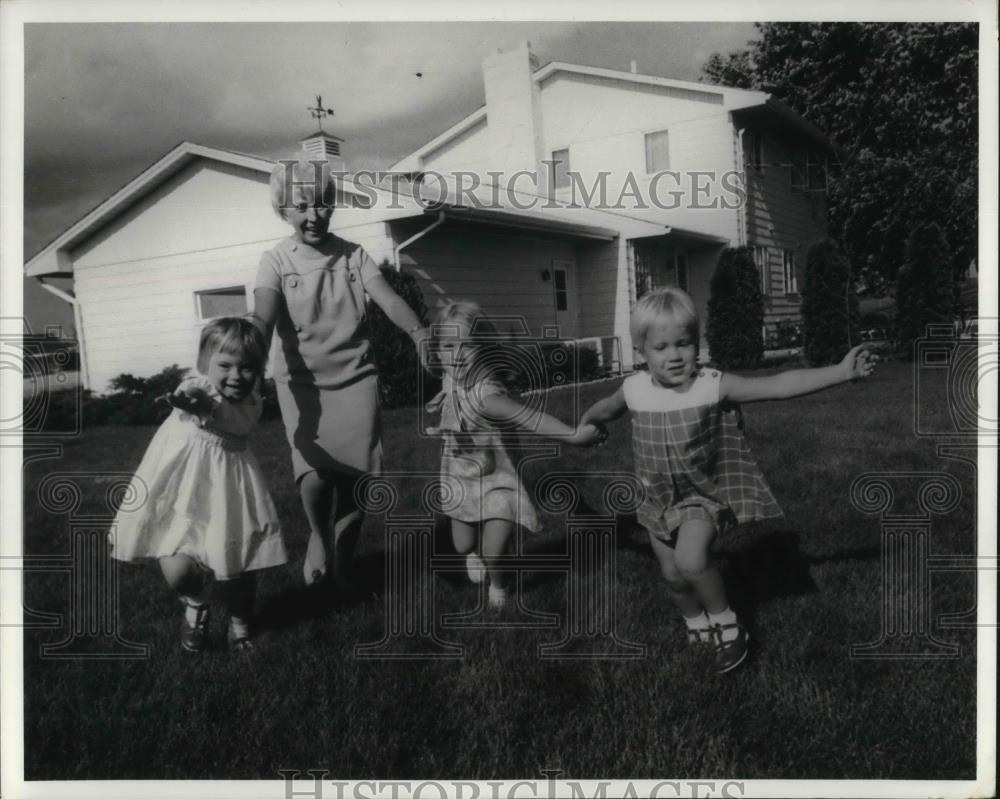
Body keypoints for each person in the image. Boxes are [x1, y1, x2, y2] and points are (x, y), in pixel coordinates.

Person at [579, 288, 877, 673]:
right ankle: (696, 623)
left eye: (684, 344)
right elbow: (607, 407)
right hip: (654, 498)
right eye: (662, 347)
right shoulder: (634, 389)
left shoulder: (711, 384)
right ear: (640, 352)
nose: (674, 355)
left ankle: (727, 623)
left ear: (696, 343)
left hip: (700, 495)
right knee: (672, 575)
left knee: (690, 559)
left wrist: (841, 371)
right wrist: (588, 423)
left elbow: (778, 385)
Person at [251, 155, 429, 592]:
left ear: (332, 204)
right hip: (303, 384)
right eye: (301, 206)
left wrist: (419, 333)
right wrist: (248, 352)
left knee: (355, 478)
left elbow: (388, 300)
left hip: (356, 379)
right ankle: (317, 532)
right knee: (314, 472)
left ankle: (345, 561)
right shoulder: (275, 261)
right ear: (283, 210)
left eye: (322, 204)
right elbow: (263, 316)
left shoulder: (353, 256)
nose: (313, 215)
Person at [110, 317, 285, 652]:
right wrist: (190, 401)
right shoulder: (199, 388)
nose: (236, 376)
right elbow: (196, 395)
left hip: (229, 487)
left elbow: (224, 413)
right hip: (182, 488)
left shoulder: (251, 403)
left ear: (260, 369)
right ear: (205, 364)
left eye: (247, 367)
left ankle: (240, 623)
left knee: (238, 563)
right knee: (175, 565)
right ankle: (197, 600)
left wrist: (202, 406)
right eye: (225, 365)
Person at [425, 301, 605, 608]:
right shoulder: (450, 377)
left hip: (500, 480)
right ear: (438, 349)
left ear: (485, 349)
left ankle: (499, 584)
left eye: (466, 345)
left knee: (494, 550)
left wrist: (574, 435)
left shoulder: (488, 398)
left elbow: (531, 418)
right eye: (448, 345)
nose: (455, 355)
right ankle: (472, 553)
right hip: (462, 477)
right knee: (462, 543)